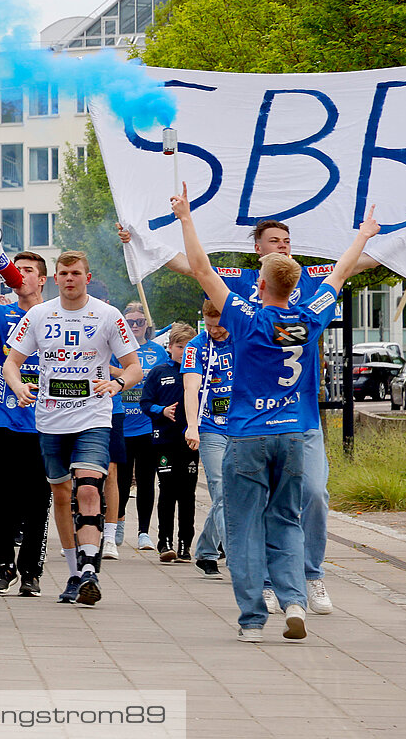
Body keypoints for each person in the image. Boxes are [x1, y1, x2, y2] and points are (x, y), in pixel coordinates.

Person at [120, 212, 406, 613]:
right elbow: (191, 266)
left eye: (287, 241)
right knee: (266, 504)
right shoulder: (242, 285)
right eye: (274, 241)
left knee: (313, 495)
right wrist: (136, 238)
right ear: (257, 250)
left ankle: (310, 576)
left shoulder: (302, 279)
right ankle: (274, 584)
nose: (283, 246)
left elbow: (357, 263)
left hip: (299, 417)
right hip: (250, 420)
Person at [167, 189, 375, 642]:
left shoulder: (245, 316)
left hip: (248, 434)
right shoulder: (310, 316)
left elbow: (201, 269)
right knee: (287, 518)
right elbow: (338, 276)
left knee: (244, 525)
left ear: (260, 285)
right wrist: (362, 235)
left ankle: (253, 620)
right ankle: (296, 599)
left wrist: (185, 217)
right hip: (295, 433)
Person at [3, 251, 141, 608]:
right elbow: (11, 363)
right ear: (55, 279)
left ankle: (91, 568)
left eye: (76, 273)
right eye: (63, 273)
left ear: (87, 277)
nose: (69, 279)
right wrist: (18, 386)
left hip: (93, 415)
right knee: (62, 495)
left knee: (90, 486)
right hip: (50, 419)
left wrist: (118, 383)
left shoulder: (108, 316)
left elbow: (134, 366)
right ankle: (74, 573)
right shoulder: (39, 315)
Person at [0, 252, 50, 597]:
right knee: (4, 493)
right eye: (16, 269)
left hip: (49, 421)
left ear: (42, 280)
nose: (19, 275)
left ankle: (31, 570)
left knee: (39, 497)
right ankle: (3, 565)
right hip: (5, 417)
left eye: (28, 271)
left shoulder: (55, 315)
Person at [183, 299, 235, 577]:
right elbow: (191, 388)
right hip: (210, 425)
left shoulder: (244, 337)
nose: (215, 331)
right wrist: (192, 425)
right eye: (209, 325)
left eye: (219, 326)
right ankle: (239, 559)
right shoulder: (196, 346)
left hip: (242, 426)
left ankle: (205, 550)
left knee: (233, 495)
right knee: (221, 489)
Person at [144, 324, 199, 562]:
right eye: (180, 346)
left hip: (190, 442)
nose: (184, 350)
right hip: (164, 440)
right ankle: (164, 541)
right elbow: (145, 403)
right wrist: (162, 410)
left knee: (187, 493)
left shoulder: (199, 372)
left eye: (189, 347)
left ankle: (186, 542)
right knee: (167, 490)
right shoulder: (159, 372)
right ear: (170, 347)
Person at [115, 304, 166, 553]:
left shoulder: (158, 352)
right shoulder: (117, 349)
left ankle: (144, 532)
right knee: (121, 483)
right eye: (130, 322)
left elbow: (164, 381)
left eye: (139, 321)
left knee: (147, 481)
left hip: (147, 426)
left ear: (147, 323)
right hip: (122, 423)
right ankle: (119, 520)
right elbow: (106, 371)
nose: (134, 326)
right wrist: (130, 374)